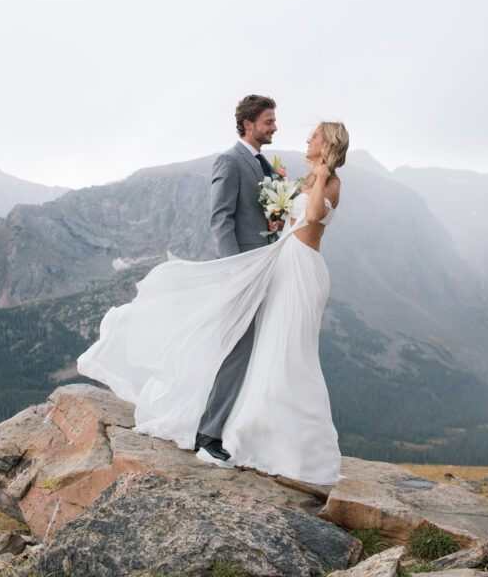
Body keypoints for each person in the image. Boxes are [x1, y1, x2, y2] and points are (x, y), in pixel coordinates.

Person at [77, 115, 349, 486]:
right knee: (268, 349)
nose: (307, 139)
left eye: (314, 136)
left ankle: (297, 445)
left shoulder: (329, 182)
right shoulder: (305, 178)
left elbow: (315, 215)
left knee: (292, 352)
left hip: (303, 272)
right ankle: (257, 432)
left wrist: (319, 175)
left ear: (328, 142)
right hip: (282, 265)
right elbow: (289, 220)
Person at [196, 94, 279, 465]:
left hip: (270, 267)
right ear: (248, 124)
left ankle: (243, 432)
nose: (274, 127)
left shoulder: (268, 168)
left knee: (265, 351)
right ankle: (208, 435)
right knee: (237, 350)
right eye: (268, 121)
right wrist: (236, 274)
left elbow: (262, 219)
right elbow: (221, 220)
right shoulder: (229, 161)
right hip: (243, 272)